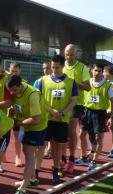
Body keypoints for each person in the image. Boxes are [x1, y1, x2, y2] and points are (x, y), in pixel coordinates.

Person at [36, 55, 78, 183]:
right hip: (46, 119)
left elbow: (74, 101)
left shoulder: (71, 82)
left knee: (57, 147)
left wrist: (62, 112)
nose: (53, 69)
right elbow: (39, 99)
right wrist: (51, 111)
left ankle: (56, 170)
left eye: (57, 67)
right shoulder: (43, 81)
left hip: (61, 120)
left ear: (62, 66)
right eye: (52, 67)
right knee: (41, 146)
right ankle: (36, 171)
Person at [7, 75, 47, 194]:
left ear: (20, 85)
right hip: (25, 124)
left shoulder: (32, 95)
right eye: (10, 91)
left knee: (29, 154)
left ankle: (23, 190)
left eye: (14, 90)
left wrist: (18, 123)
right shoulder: (15, 91)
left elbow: (36, 119)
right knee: (25, 151)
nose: (12, 93)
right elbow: (16, 107)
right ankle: (33, 180)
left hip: (36, 126)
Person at [78, 63, 113, 171]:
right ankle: (84, 157)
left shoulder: (107, 85)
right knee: (81, 134)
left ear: (102, 72)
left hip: (100, 113)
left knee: (99, 137)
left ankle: (93, 161)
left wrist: (111, 117)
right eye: (95, 70)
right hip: (87, 111)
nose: (97, 73)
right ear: (91, 71)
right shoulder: (87, 82)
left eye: (100, 71)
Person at [63, 44, 91, 172]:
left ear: (76, 54)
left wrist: (73, 82)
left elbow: (88, 87)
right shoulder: (61, 66)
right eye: (67, 54)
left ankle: (72, 159)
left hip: (77, 103)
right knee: (62, 131)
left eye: (71, 54)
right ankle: (63, 158)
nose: (69, 57)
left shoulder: (82, 67)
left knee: (71, 130)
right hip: (61, 103)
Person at [34, 60, 52, 182]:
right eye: (44, 68)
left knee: (54, 142)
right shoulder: (38, 82)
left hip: (55, 116)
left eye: (48, 68)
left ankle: (58, 164)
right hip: (42, 117)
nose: (46, 70)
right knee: (40, 145)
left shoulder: (59, 81)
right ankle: (36, 170)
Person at [8, 62, 25, 168]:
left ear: (20, 71)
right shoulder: (6, 83)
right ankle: (2, 156)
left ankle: (17, 157)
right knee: (1, 136)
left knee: (18, 137)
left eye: (16, 71)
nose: (14, 73)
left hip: (18, 115)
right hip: (5, 114)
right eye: (12, 71)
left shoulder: (24, 84)